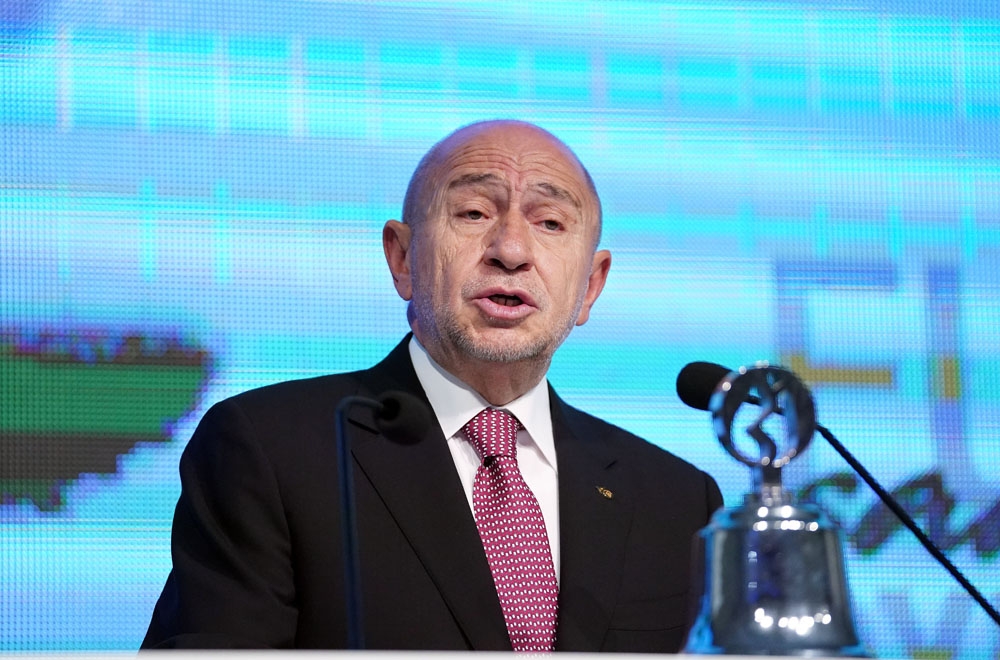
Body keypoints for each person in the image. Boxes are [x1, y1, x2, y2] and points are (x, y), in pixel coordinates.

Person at [141, 120, 723, 652]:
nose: (511, 251)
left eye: (550, 222)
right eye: (473, 213)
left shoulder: (677, 502)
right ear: (402, 258)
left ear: (590, 287)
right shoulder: (272, 449)